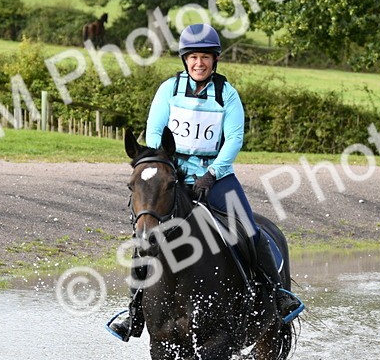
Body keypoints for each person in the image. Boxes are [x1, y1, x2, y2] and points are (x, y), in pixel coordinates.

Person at [107, 23, 304, 341]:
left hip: (216, 177)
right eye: (193, 57)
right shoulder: (168, 90)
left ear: (215, 60)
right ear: (185, 59)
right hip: (173, 175)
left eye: (205, 57)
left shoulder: (227, 94)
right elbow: (155, 130)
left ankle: (276, 294)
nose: (199, 63)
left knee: (250, 231)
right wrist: (164, 165)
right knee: (146, 235)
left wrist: (212, 173)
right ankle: (134, 311)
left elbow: (234, 138)